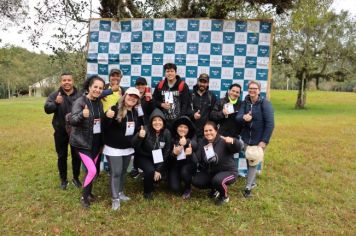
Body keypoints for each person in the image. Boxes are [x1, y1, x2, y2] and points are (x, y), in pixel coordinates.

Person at [102, 87, 142, 210]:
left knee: (124, 172)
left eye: (135, 97)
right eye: (130, 96)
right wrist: (107, 116)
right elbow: (104, 127)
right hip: (113, 148)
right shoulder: (115, 109)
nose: (132, 99)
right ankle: (115, 199)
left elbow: (137, 128)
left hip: (128, 148)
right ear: (125, 96)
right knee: (116, 172)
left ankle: (120, 193)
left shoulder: (135, 112)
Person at [69, 75, 105, 209]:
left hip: (95, 143)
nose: (97, 90)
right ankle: (84, 198)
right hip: (82, 143)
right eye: (95, 87)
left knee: (92, 170)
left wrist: (102, 143)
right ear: (89, 87)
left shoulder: (99, 102)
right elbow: (72, 120)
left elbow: (99, 123)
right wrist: (81, 115)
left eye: (100, 88)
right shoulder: (80, 101)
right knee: (92, 170)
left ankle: (89, 193)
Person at [236, 80, 274, 198]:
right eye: (250, 88)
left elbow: (270, 124)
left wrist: (264, 141)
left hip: (259, 140)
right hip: (247, 138)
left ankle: (248, 188)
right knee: (250, 159)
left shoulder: (265, 104)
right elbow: (238, 118)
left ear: (259, 90)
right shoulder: (245, 103)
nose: (252, 90)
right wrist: (244, 117)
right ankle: (252, 182)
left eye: (255, 88)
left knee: (253, 162)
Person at [44, 72, 82, 190]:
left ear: (73, 81)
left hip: (76, 132)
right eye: (64, 80)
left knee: (76, 156)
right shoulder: (55, 95)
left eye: (69, 80)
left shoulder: (80, 95)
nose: (66, 82)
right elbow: (47, 109)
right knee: (62, 156)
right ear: (61, 82)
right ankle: (63, 180)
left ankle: (76, 178)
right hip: (60, 132)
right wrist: (56, 102)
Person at [192, 121, 243, 205]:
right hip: (212, 172)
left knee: (217, 180)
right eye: (206, 131)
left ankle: (224, 196)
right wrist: (200, 157)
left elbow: (238, 148)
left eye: (210, 130)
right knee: (196, 181)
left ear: (216, 131)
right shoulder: (202, 142)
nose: (208, 133)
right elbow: (198, 157)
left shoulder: (224, 140)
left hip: (229, 172)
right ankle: (215, 189)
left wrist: (234, 141)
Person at [131, 109, 172, 200]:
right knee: (150, 171)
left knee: (159, 175)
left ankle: (149, 179)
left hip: (158, 157)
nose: (157, 123)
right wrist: (139, 137)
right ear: (151, 122)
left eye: (160, 120)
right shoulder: (145, 129)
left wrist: (158, 169)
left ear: (163, 122)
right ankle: (147, 192)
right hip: (143, 156)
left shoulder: (167, 133)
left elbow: (166, 152)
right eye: (154, 120)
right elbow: (133, 145)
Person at [152, 63, 190, 131]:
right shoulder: (160, 85)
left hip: (177, 122)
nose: (170, 73)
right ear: (165, 73)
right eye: (167, 71)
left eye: (172, 71)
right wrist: (161, 104)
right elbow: (154, 101)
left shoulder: (183, 86)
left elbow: (185, 104)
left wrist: (180, 120)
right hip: (163, 122)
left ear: (175, 72)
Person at [130, 76, 155, 179]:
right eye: (138, 85)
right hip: (135, 126)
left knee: (146, 147)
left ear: (146, 86)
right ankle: (135, 169)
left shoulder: (148, 97)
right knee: (136, 147)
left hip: (147, 126)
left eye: (142, 85)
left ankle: (146, 170)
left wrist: (150, 100)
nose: (140, 86)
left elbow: (153, 110)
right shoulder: (133, 97)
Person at [168, 116, 197, 199]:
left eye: (185, 127)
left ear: (189, 129)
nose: (182, 129)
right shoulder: (172, 137)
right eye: (180, 126)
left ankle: (188, 187)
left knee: (185, 172)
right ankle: (175, 179)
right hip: (175, 165)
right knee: (174, 188)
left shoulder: (192, 136)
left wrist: (187, 142)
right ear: (177, 128)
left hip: (187, 165)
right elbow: (167, 158)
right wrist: (173, 153)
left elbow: (195, 145)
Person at [189, 73, 217, 142]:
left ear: (208, 83)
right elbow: (186, 110)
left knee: (205, 152)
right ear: (198, 81)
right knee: (192, 149)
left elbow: (214, 114)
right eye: (201, 81)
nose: (202, 84)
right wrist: (193, 115)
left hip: (206, 132)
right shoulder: (190, 94)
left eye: (205, 82)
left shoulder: (211, 96)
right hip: (191, 131)